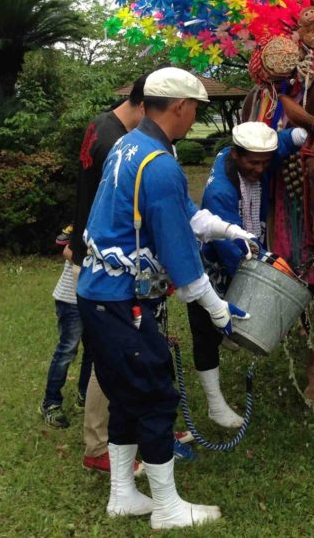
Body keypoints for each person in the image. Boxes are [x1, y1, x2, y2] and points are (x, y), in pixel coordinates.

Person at [77, 67, 256, 529]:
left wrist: (229, 229)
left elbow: (184, 213)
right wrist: (219, 311)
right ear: (180, 106)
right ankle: (168, 509)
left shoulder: (131, 145)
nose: (194, 114)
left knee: (125, 395)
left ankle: (122, 495)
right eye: (195, 107)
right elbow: (185, 265)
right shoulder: (157, 165)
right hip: (121, 302)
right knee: (156, 395)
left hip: (95, 294)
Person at [59, 73, 165, 472]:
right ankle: (99, 443)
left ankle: (115, 430)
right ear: (142, 105)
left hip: (87, 251)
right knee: (111, 350)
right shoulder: (117, 144)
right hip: (104, 262)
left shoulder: (100, 125)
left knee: (107, 349)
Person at [195, 121, 307, 428]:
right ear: (236, 155)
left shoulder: (254, 159)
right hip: (211, 264)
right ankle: (215, 403)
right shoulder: (221, 191)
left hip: (242, 248)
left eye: (265, 163)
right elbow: (234, 252)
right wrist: (270, 271)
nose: (260, 169)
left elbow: (281, 143)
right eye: (253, 163)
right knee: (205, 330)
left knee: (221, 324)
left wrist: (305, 131)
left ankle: (227, 330)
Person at [38, 237, 93, 429]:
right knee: (67, 350)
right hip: (71, 299)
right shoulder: (81, 220)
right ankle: (50, 402)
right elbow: (67, 252)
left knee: (94, 349)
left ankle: (85, 395)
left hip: (94, 298)